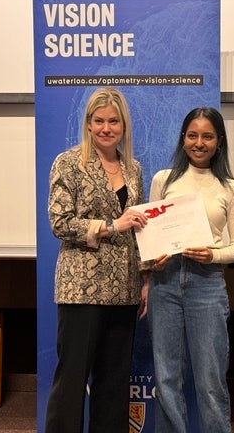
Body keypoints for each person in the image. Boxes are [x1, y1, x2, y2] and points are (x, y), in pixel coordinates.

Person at [44, 87, 149, 433]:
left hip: (123, 291)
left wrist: (145, 279)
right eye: (99, 120)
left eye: (113, 121)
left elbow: (140, 231)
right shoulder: (68, 163)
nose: (106, 128)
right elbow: (60, 222)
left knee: (114, 383)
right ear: (88, 124)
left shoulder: (133, 169)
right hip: (81, 290)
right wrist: (110, 225)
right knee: (72, 380)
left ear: (124, 126)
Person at [146, 107, 234, 433]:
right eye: (192, 135)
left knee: (210, 378)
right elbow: (149, 241)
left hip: (207, 284)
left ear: (219, 142)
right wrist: (153, 261)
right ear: (183, 138)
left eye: (207, 136)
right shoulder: (164, 180)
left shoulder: (231, 188)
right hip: (165, 283)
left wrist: (213, 256)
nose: (199, 143)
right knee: (167, 377)